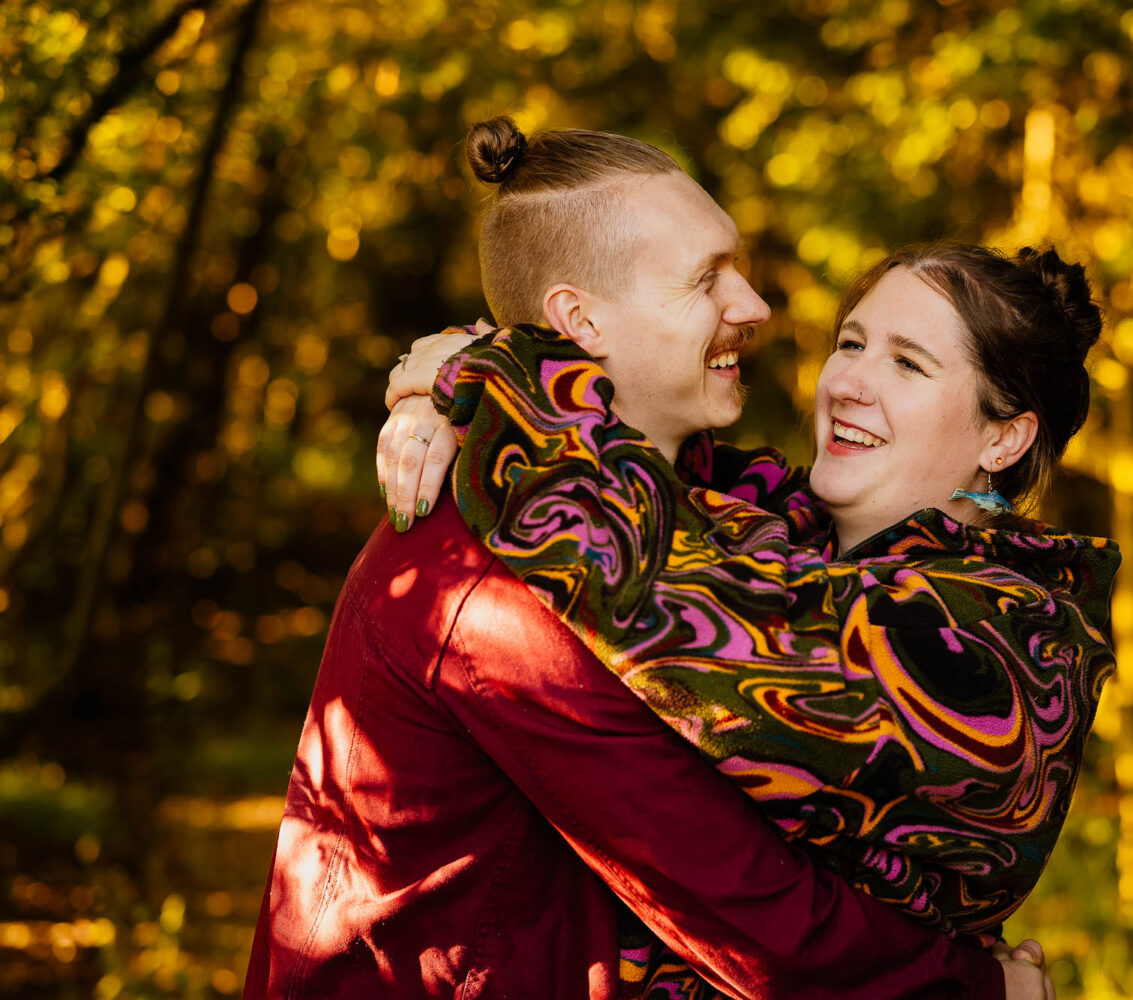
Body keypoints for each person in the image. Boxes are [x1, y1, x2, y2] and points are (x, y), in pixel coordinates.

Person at [247, 117, 1050, 999]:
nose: (754, 306)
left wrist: (452, 369)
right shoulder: (510, 581)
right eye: (708, 279)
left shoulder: (677, 519)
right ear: (579, 319)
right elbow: (738, 899)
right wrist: (981, 990)